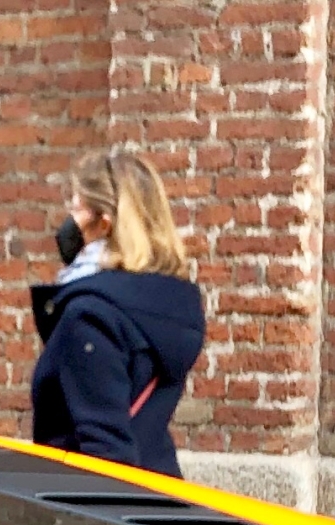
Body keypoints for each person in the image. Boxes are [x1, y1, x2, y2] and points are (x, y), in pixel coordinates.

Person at [29, 148, 205, 477]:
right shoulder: (167, 308)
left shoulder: (91, 315)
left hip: (101, 508)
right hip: (160, 489)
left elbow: (107, 453)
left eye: (77, 208)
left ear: (104, 223)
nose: (68, 219)